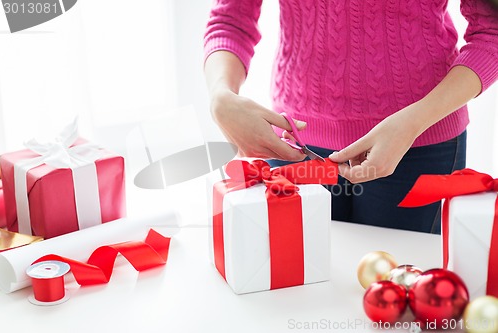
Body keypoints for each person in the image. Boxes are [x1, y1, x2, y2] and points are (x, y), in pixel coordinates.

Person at [203, 0, 498, 234]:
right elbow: (231, 20)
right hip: (294, 144)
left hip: (419, 144)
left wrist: (414, 121)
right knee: (295, 293)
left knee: (402, 295)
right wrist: (220, 95)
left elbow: (491, 31)